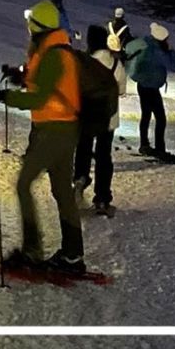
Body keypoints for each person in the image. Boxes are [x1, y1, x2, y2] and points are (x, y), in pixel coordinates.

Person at [0, 0, 85, 273]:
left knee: (23, 184)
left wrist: (3, 95)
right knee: (62, 192)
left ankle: (32, 252)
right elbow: (46, 84)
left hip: (52, 131)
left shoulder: (53, 54)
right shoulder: (55, 50)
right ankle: (73, 256)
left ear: (36, 27)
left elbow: (41, 98)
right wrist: (20, 77)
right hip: (64, 130)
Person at [73, 25, 122, 215]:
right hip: (108, 118)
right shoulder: (116, 64)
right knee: (104, 156)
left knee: (83, 149)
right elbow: (122, 89)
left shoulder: (84, 62)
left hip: (86, 114)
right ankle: (102, 198)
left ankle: (80, 180)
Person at [124, 22, 175, 160]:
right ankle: (160, 149)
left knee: (146, 115)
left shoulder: (144, 43)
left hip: (142, 85)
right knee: (161, 119)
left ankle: (144, 144)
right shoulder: (158, 51)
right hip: (152, 87)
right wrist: (171, 51)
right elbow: (174, 66)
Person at [106, 8, 134, 75]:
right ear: (123, 15)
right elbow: (128, 40)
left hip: (108, 50)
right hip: (119, 52)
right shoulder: (125, 27)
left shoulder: (109, 25)